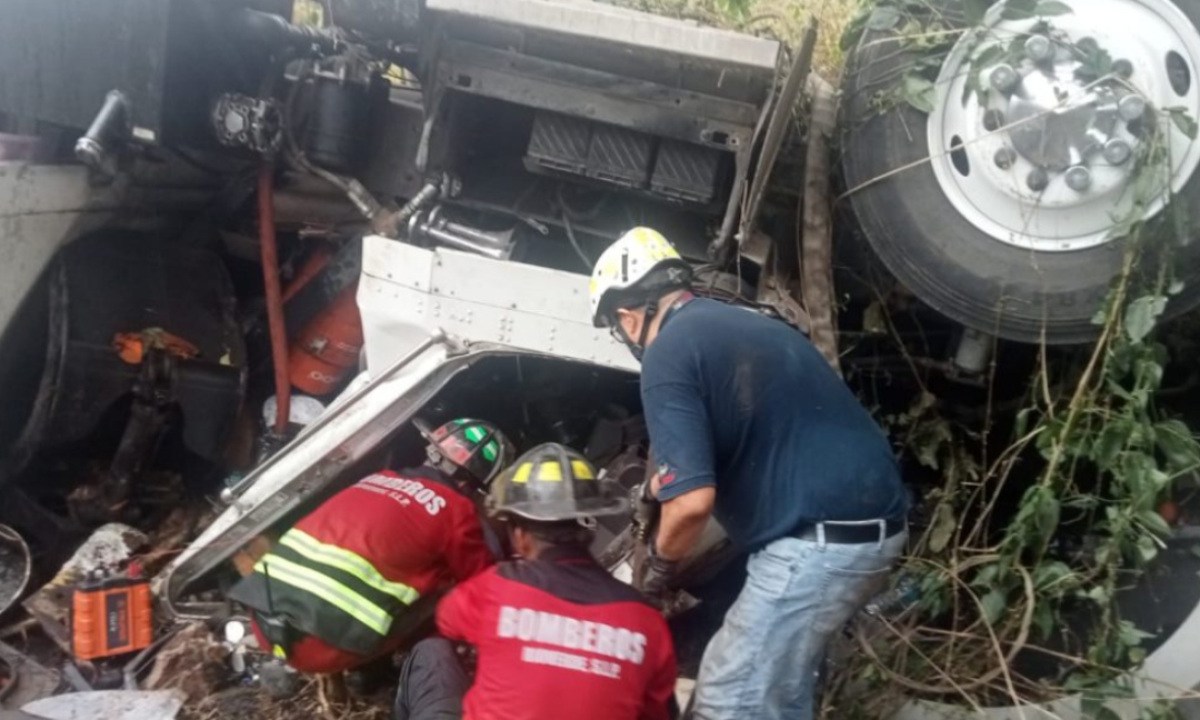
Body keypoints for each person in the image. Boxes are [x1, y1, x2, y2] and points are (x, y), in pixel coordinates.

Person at [589, 227, 910, 720]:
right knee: (777, 692)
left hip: (819, 545)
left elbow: (692, 504)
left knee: (728, 696)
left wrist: (656, 572)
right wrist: (660, 487)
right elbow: (741, 435)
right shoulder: (740, 323)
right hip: (866, 531)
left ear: (629, 317)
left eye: (617, 325)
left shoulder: (667, 354)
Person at [393, 443, 678, 720]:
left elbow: (448, 620)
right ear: (587, 525)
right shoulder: (647, 623)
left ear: (519, 534)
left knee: (431, 652)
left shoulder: (493, 590)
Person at [229, 418, 514, 675]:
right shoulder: (457, 510)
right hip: (321, 651)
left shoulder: (377, 478)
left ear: (431, 451)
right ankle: (377, 672)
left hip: (264, 620)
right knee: (449, 586)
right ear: (473, 484)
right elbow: (484, 583)